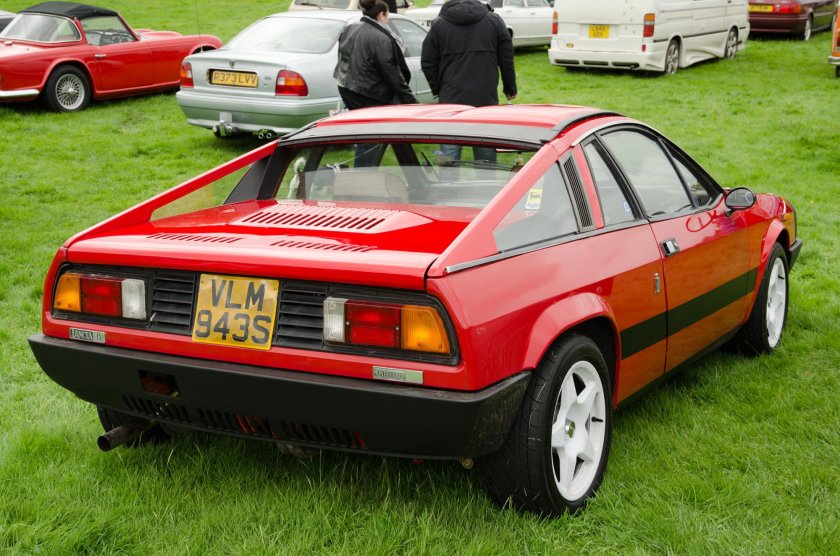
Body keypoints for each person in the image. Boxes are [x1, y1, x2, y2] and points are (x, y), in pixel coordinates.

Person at [421, 0, 516, 165]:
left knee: (449, 150)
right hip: (484, 97)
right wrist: (510, 87)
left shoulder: (439, 25)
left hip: (451, 98)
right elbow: (506, 58)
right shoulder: (494, 20)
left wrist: (438, 89)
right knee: (485, 149)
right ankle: (485, 187)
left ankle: (447, 189)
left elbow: (428, 62)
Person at [333, 0, 417, 111]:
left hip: (345, 88)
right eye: (388, 14)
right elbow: (392, 73)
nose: (388, 19)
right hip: (367, 94)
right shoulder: (381, 38)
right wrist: (412, 102)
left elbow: (343, 58)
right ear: (382, 15)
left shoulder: (350, 28)